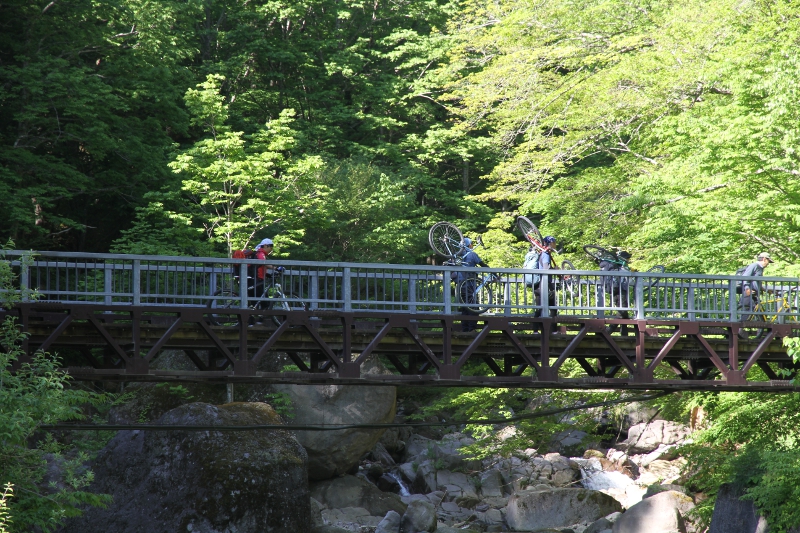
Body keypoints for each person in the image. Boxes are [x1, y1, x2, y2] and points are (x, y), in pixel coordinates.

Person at [456, 237, 489, 332]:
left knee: (465, 308)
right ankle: (471, 329)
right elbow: (483, 265)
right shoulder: (472, 254)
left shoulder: (458, 256)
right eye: (471, 243)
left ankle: (465, 329)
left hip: (460, 285)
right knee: (474, 308)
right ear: (469, 245)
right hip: (470, 285)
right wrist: (494, 274)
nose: (472, 245)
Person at [739, 252, 774, 335]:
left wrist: (765, 290)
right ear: (764, 259)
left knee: (760, 313)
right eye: (768, 261)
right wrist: (747, 289)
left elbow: (756, 282)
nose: (768, 264)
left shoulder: (760, 268)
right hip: (748, 293)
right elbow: (745, 278)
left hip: (755, 294)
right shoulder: (754, 266)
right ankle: (739, 332)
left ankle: (761, 333)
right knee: (746, 312)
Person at [600, 250, 632, 335]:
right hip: (620, 290)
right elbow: (627, 277)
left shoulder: (615, 265)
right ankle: (609, 330)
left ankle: (624, 333)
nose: (628, 260)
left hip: (616, 290)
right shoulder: (621, 266)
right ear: (624, 258)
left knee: (623, 311)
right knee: (622, 310)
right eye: (628, 258)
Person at [533, 236, 559, 332]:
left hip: (539, 285)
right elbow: (546, 268)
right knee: (552, 308)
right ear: (550, 243)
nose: (555, 244)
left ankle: (536, 330)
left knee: (540, 307)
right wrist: (555, 270)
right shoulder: (546, 255)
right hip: (545, 285)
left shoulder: (543, 253)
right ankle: (553, 330)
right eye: (554, 242)